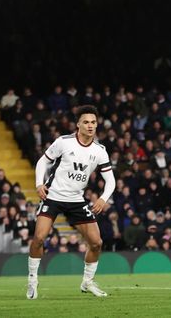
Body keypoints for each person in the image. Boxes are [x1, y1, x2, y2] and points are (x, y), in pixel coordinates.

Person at [27, 105, 116, 299]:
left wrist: (102, 198)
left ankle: (87, 282)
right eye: (86, 122)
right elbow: (43, 161)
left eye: (93, 122)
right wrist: (39, 184)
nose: (90, 125)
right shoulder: (64, 142)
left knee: (96, 243)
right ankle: (32, 281)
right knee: (39, 238)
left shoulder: (100, 151)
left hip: (76, 200)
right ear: (78, 124)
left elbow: (111, 181)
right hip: (53, 196)